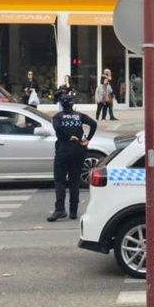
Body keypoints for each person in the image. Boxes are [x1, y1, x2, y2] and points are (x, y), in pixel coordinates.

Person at [46, 93, 97, 222]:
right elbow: (93, 124)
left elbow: (58, 129)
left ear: (61, 104)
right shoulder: (79, 116)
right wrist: (87, 139)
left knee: (60, 181)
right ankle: (73, 211)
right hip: (79, 151)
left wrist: (69, 137)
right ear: (72, 103)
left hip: (63, 151)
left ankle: (60, 209)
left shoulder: (58, 117)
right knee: (74, 182)